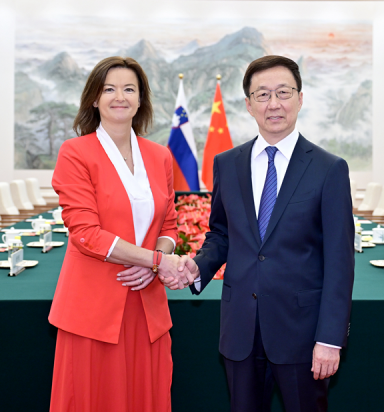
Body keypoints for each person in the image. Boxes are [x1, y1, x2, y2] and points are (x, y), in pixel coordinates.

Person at [164, 55, 355, 412]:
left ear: (300, 98)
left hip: (301, 332)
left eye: (283, 92)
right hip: (241, 330)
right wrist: (198, 267)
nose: (274, 104)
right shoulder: (227, 164)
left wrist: (330, 339)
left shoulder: (329, 169)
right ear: (249, 105)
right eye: (263, 94)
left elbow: (340, 262)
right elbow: (222, 234)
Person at [49, 56, 184, 412]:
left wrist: (155, 261)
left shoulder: (160, 156)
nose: (119, 97)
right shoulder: (75, 153)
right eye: (109, 89)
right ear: (94, 98)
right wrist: (155, 261)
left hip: (145, 306)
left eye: (129, 89)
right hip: (93, 309)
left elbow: (169, 225)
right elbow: (86, 233)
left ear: (141, 100)